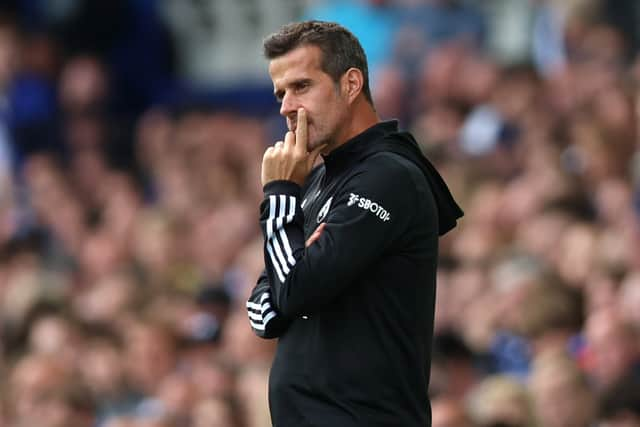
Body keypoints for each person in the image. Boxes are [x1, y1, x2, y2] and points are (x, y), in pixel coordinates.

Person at [246, 20, 463, 427]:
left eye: (301, 86)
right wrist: (294, 277)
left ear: (350, 84)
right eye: (280, 93)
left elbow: (290, 291)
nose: (285, 108)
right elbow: (261, 311)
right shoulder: (318, 181)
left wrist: (277, 194)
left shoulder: (388, 176)